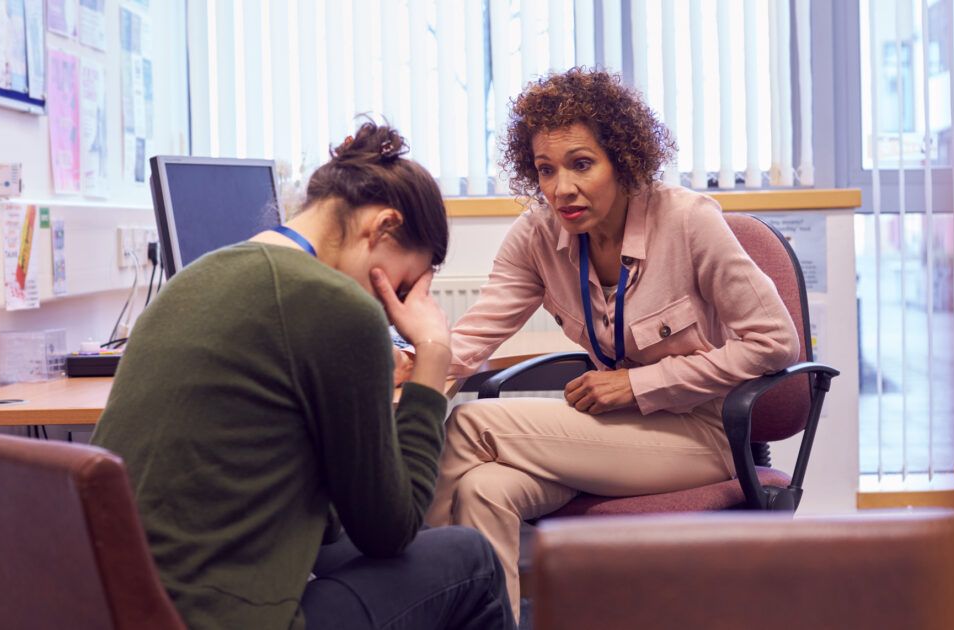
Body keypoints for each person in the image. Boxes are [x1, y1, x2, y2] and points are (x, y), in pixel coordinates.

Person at [92, 121, 515, 630]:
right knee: (470, 558)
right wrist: (432, 354)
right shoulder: (335, 307)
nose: (392, 313)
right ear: (381, 227)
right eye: (401, 288)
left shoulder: (194, 279)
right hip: (217, 620)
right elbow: (392, 530)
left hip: (119, 610)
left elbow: (324, 516)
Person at [421, 68, 801, 621]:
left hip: (703, 433)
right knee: (483, 489)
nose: (561, 189)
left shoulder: (689, 222)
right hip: (614, 436)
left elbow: (775, 343)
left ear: (623, 160)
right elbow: (474, 336)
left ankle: (414, 594)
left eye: (581, 164)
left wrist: (638, 382)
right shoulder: (537, 237)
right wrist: (410, 368)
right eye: (545, 170)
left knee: (471, 424)